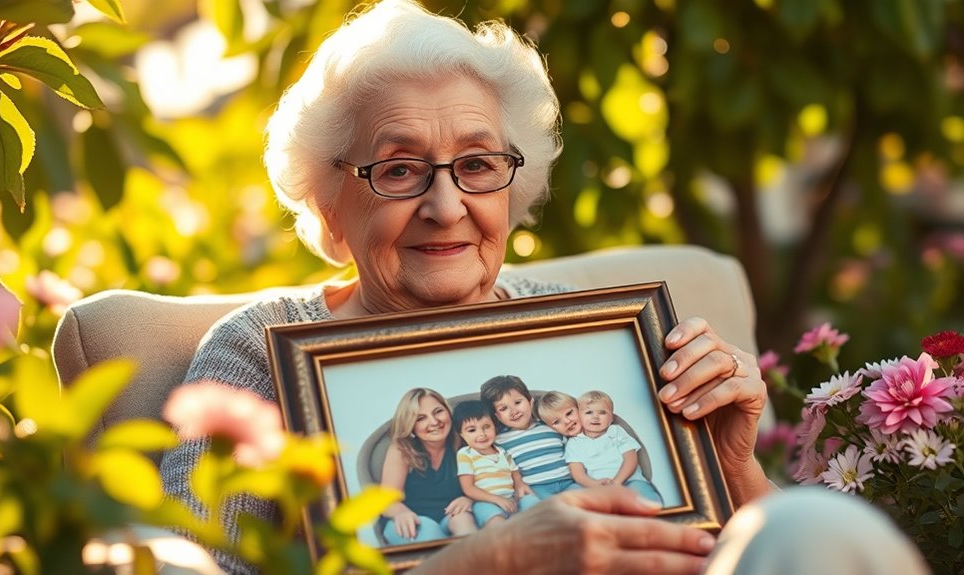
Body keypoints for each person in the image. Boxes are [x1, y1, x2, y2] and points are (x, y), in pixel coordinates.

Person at [157, 1, 929, 573]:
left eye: (477, 164)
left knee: (817, 526)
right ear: (330, 207)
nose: (446, 205)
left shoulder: (604, 338)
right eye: (398, 169)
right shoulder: (257, 353)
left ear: (511, 188)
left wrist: (731, 469)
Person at [378, 388, 476, 544]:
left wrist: (470, 498)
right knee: (428, 529)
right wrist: (401, 513)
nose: (434, 422)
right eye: (421, 418)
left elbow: (488, 478)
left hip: (449, 515)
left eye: (438, 412)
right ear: (411, 425)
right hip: (409, 518)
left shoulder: (465, 440)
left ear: (448, 411)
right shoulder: (401, 449)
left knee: (464, 520)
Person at [480, 375, 582, 499]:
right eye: (504, 408)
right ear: (497, 416)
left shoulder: (550, 425)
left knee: (586, 497)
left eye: (518, 402)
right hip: (536, 488)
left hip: (568, 483)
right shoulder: (499, 441)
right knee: (535, 504)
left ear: (530, 401)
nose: (514, 411)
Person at [452, 400, 540, 527]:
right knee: (495, 521)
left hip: (511, 500)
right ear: (461, 434)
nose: (481, 434)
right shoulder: (465, 454)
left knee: (532, 503)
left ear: (495, 426)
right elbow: (468, 488)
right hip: (486, 502)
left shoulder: (502, 451)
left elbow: (515, 473)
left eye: (486, 427)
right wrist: (497, 499)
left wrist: (519, 486)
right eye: (472, 430)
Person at [565, 390, 663, 504]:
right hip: (594, 485)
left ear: (611, 418)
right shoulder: (575, 442)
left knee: (644, 494)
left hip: (627, 481)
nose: (595, 417)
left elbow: (630, 460)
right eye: (589, 412)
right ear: (579, 417)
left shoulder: (616, 431)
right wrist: (595, 485)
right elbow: (578, 473)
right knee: (572, 492)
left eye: (602, 412)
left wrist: (616, 482)